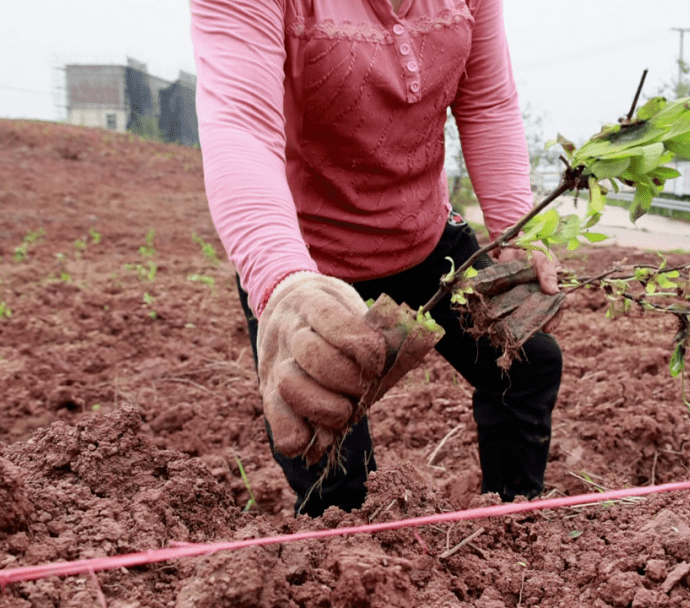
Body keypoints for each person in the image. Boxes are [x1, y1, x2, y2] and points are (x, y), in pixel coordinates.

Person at [190, 0, 563, 517]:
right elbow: (241, 125)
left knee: (527, 364)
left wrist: (519, 231)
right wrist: (285, 285)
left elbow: (487, 104)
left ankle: (515, 528)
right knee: (333, 472)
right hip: (310, 270)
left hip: (430, 241)